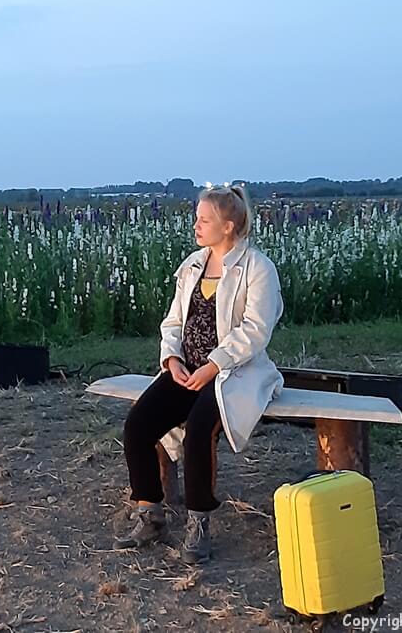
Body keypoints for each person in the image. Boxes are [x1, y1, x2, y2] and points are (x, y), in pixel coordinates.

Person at [114, 184, 284, 564]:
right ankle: (150, 513)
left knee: (199, 429)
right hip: (186, 370)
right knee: (138, 425)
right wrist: (171, 359)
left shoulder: (257, 268)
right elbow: (174, 321)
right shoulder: (193, 265)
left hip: (232, 373)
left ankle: (199, 522)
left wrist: (214, 365)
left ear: (228, 226)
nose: (196, 225)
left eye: (204, 220)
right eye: (197, 218)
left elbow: (256, 330)